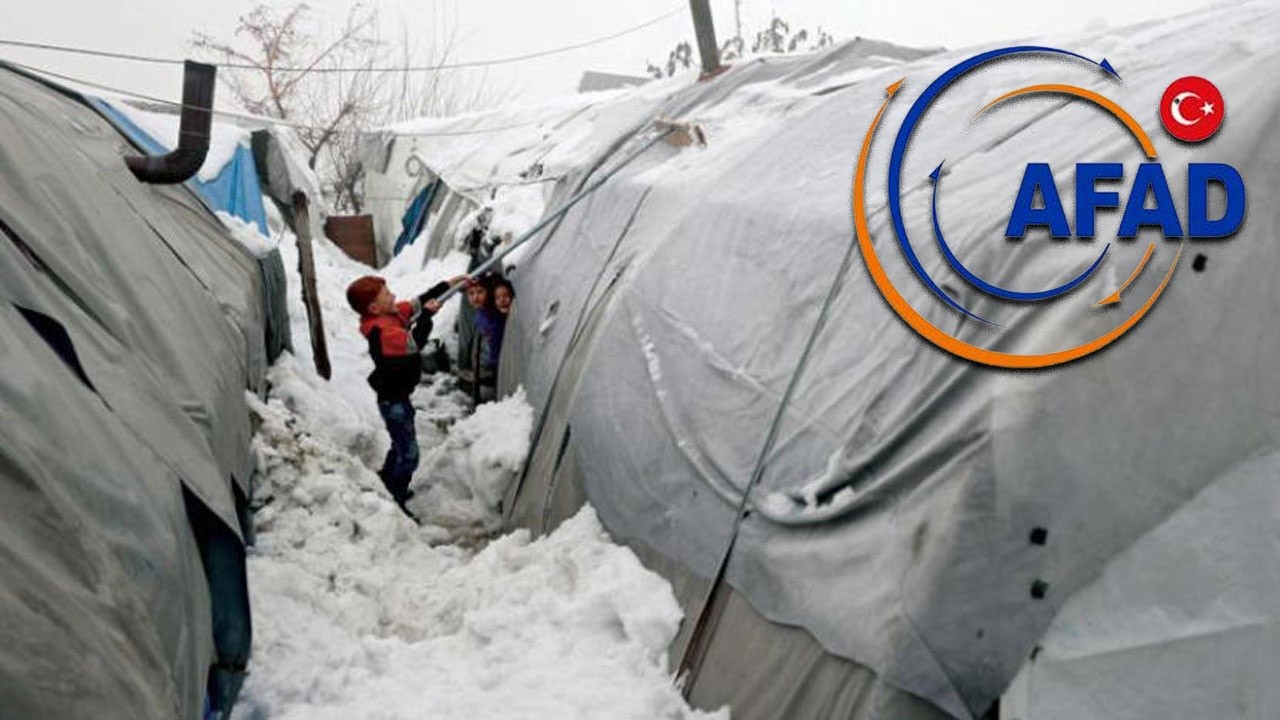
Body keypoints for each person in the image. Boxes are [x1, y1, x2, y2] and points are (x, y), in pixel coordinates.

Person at [346, 274, 456, 518]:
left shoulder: (389, 315)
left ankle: (385, 482)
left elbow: (418, 302)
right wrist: (427, 317)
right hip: (392, 401)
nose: (393, 296)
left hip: (398, 396)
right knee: (410, 455)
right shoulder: (381, 331)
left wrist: (450, 284)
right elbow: (414, 341)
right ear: (374, 307)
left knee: (400, 443)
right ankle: (395, 498)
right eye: (387, 294)